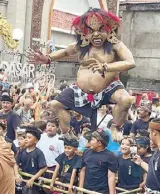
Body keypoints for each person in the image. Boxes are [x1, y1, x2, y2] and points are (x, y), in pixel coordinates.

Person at [28, 8, 135, 141]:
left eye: (101, 30)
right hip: (80, 90)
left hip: (109, 87)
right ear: (84, 33)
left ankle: (116, 126)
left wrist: (106, 66)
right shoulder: (81, 46)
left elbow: (130, 62)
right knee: (55, 104)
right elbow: (65, 52)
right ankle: (67, 132)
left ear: (109, 30)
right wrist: (47, 58)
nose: (96, 35)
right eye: (91, 31)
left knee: (126, 100)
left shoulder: (115, 45)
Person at [79, 129, 118, 193]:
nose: (90, 142)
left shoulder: (110, 156)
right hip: (86, 190)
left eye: (92, 139)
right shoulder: (86, 152)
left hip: (101, 191)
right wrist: (80, 189)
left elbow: (111, 176)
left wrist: (112, 193)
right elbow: (83, 170)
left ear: (99, 143)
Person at [16, 126, 47, 194]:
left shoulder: (38, 153)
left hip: (34, 183)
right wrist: (16, 174)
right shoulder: (21, 151)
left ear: (36, 140)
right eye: (26, 137)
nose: (26, 139)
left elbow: (44, 168)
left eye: (29, 138)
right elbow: (16, 163)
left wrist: (32, 179)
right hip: (23, 180)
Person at [134, 118, 160, 193]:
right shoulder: (157, 151)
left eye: (149, 132)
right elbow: (155, 171)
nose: (149, 135)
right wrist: (141, 162)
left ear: (154, 133)